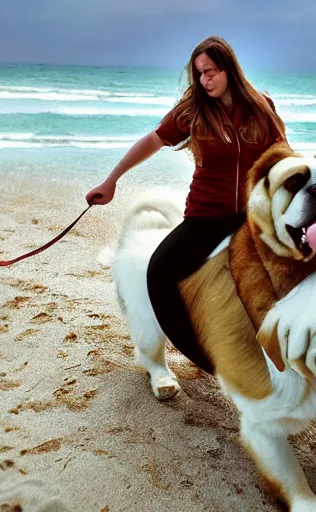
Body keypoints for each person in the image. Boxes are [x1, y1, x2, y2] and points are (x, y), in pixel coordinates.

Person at [86, 35, 287, 373]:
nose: (204, 80)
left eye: (210, 72)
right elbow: (153, 140)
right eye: (199, 74)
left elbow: (282, 155)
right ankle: (207, 358)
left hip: (251, 215)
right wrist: (111, 180)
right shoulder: (193, 110)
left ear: (228, 69)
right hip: (205, 216)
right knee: (159, 272)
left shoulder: (259, 104)